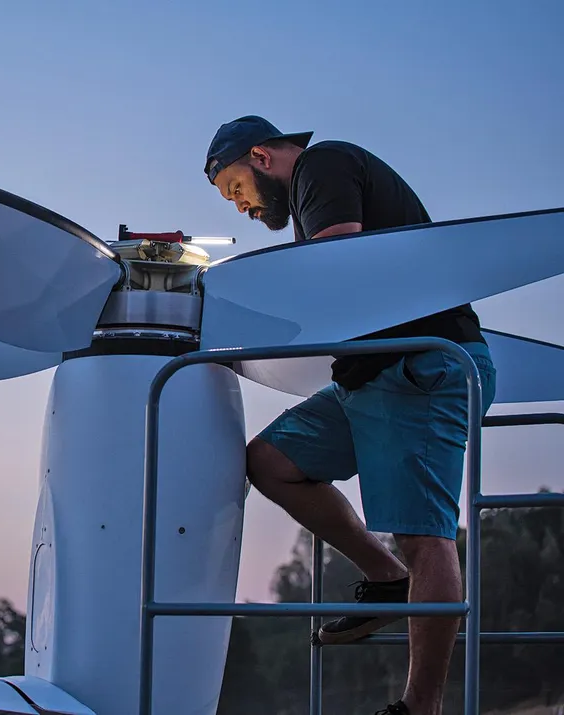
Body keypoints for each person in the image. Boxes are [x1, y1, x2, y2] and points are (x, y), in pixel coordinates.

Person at [203, 116, 498, 715]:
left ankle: (422, 707)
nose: (240, 208)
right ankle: (386, 579)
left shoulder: (325, 164)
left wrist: (240, 308)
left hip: (421, 368)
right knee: (272, 461)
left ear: (261, 157)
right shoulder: (314, 189)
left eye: (235, 189)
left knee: (424, 536)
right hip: (372, 375)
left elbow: (338, 264)